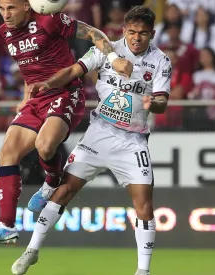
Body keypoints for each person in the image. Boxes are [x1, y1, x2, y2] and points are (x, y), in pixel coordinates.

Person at [11, 6, 172, 275]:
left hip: (132, 141)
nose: (136, 38)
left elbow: (162, 102)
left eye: (143, 34)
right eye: (132, 32)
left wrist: (152, 102)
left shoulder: (161, 61)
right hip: (99, 134)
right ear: (124, 31)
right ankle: (32, 251)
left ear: (151, 34)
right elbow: (74, 70)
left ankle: (142, 272)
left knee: (144, 206)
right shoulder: (106, 50)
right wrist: (49, 84)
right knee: (63, 192)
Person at [0, 0, 134, 245]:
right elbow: (30, 71)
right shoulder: (5, 33)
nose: (6, 15)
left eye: (11, 8)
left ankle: (51, 182)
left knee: (44, 146)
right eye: (2, 9)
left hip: (65, 92)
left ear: (27, 6)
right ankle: (6, 226)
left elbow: (92, 32)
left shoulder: (50, 20)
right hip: (36, 99)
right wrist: (24, 99)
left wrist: (112, 58)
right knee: (7, 153)